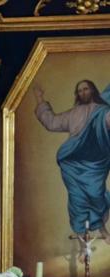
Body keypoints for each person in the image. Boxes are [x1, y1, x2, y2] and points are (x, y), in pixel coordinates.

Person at [33, 80, 110, 240]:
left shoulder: (102, 111)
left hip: (94, 164)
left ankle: (101, 228)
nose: (82, 92)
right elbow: (52, 123)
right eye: (79, 90)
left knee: (96, 195)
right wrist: (40, 99)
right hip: (72, 162)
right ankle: (82, 239)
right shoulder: (73, 113)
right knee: (76, 199)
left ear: (92, 90)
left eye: (85, 89)